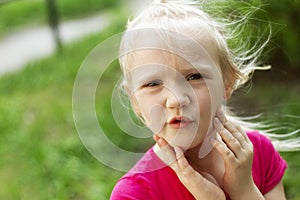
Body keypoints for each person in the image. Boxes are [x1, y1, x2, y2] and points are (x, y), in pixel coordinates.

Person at [110, 0, 291, 199]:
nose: (177, 99)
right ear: (134, 100)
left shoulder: (259, 154)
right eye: (153, 84)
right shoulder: (134, 194)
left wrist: (245, 190)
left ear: (227, 83)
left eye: (194, 77)